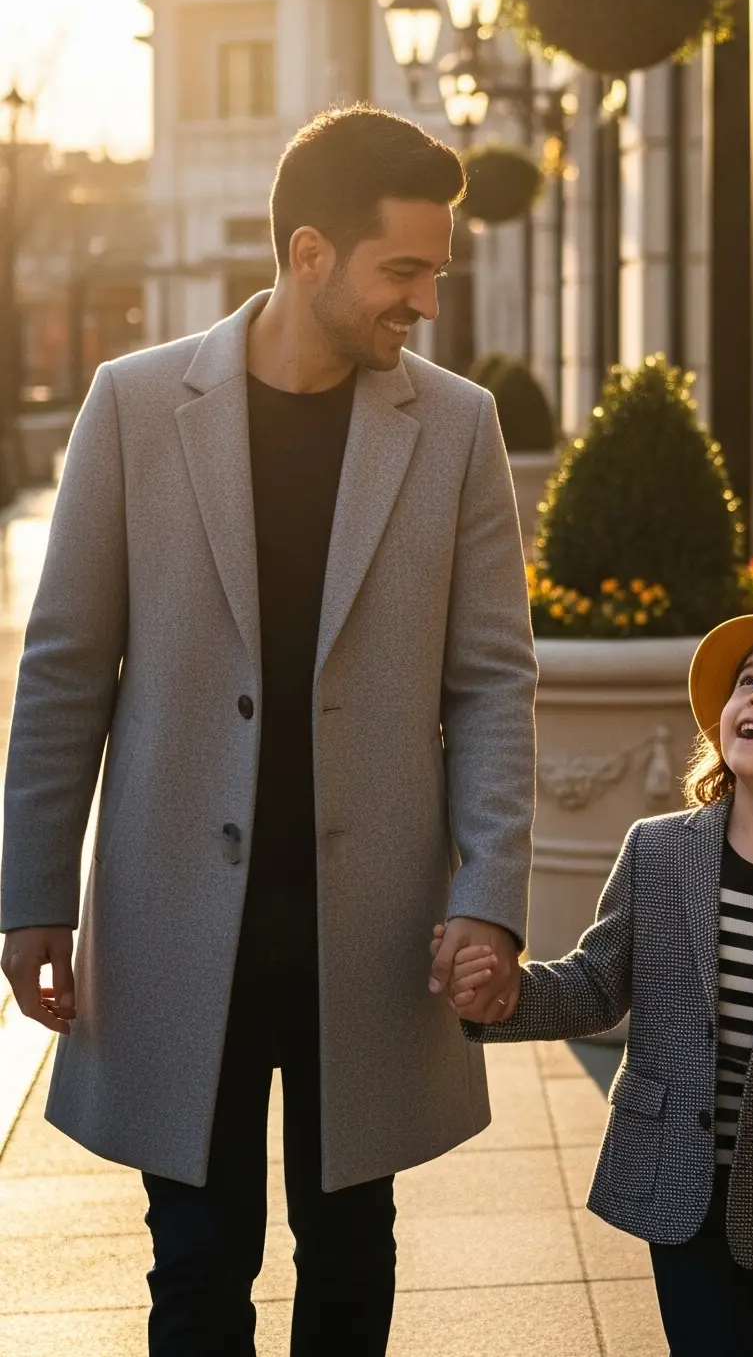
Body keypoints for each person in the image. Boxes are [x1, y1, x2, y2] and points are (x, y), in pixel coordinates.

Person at [0, 107, 536, 1355]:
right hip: (179, 913)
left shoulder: (455, 427)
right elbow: (66, 667)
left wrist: (491, 894)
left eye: (436, 274)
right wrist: (32, 896)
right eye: (404, 272)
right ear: (309, 254)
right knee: (196, 1263)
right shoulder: (133, 407)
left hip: (377, 922)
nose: (426, 304)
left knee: (352, 1259)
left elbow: (494, 681)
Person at [447, 609, 753, 1357]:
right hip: (678, 1175)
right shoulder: (660, 852)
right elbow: (597, 984)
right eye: (748, 682)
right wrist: (503, 996)